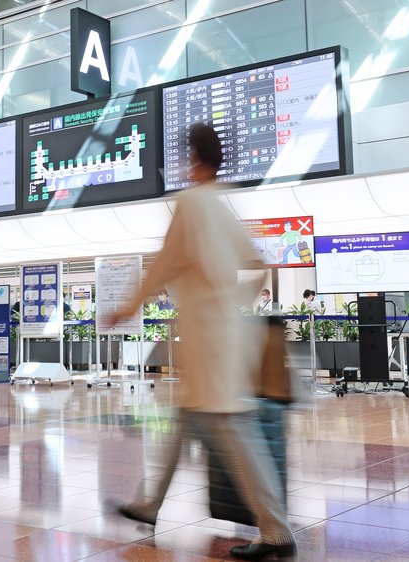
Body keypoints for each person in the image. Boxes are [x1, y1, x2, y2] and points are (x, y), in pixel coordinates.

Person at [110, 123, 295, 560]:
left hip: (211, 340)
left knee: (232, 429)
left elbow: (164, 264)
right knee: (186, 422)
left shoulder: (192, 203)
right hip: (227, 334)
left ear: (193, 159)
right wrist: (237, 309)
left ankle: (276, 531)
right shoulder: (222, 206)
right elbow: (256, 265)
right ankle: (151, 505)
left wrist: (129, 305)